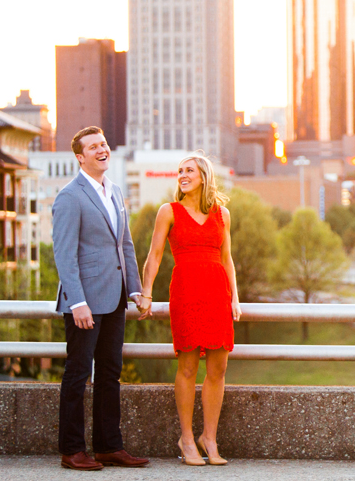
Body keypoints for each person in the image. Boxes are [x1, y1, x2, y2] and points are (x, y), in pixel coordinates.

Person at [53, 126, 150, 470]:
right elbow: (64, 254)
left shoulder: (115, 192)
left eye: (104, 144)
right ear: (80, 157)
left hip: (116, 298)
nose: (101, 150)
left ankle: (109, 446)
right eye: (93, 147)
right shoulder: (70, 196)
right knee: (78, 374)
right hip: (84, 303)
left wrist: (135, 290)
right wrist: (77, 302)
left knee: (110, 374)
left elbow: (124, 245)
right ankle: (72, 450)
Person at [138, 153, 241, 466]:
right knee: (186, 366)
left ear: (203, 176)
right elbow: (154, 256)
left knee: (218, 368)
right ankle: (186, 437)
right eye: (180, 171)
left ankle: (209, 437)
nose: (182, 175)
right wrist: (146, 293)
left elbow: (227, 259)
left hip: (217, 294)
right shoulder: (168, 211)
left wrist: (234, 297)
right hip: (185, 292)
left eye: (189, 171)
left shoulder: (222, 214)